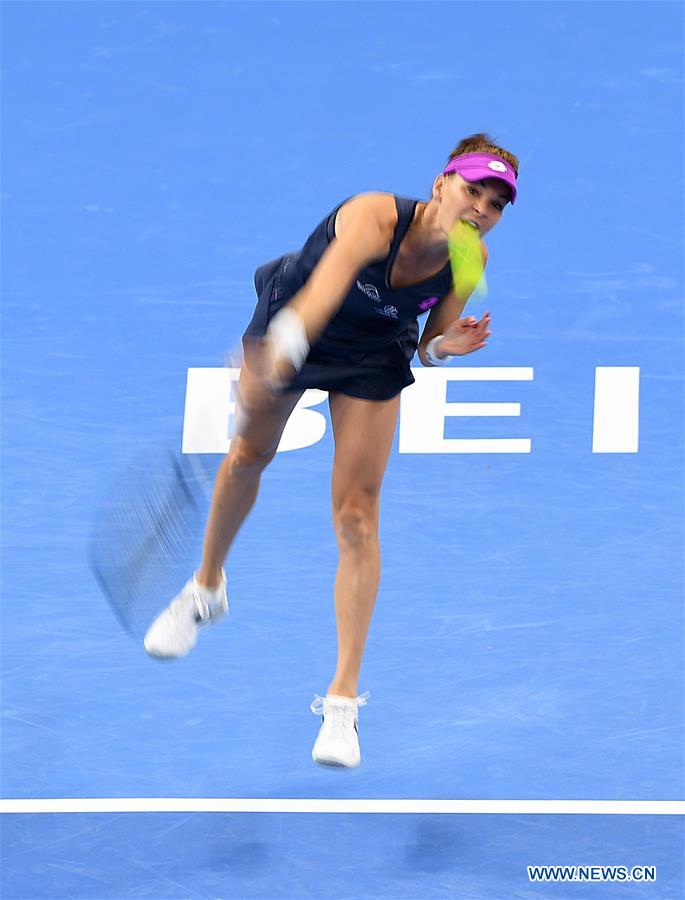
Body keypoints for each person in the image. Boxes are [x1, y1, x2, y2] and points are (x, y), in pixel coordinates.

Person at [143, 133, 519, 768]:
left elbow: (427, 343)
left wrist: (442, 349)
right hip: (300, 319)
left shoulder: (468, 257)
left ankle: (342, 701)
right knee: (248, 457)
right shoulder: (373, 216)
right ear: (441, 184)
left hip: (372, 351)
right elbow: (323, 292)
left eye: (496, 203)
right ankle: (206, 588)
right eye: (472, 190)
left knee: (357, 517)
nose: (481, 208)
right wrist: (276, 355)